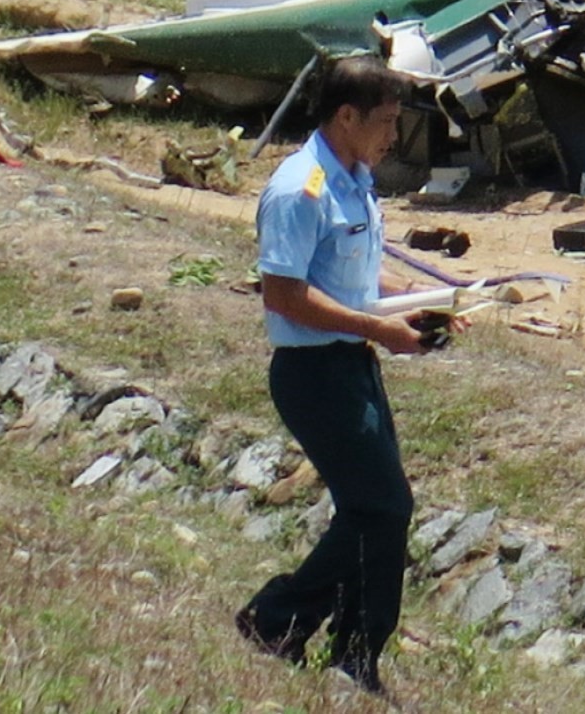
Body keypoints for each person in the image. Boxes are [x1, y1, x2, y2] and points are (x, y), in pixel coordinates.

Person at [235, 55, 428, 698]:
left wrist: (415, 304)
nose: (393, 136)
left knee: (373, 510)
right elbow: (285, 295)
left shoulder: (357, 177)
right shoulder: (300, 189)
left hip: (353, 363)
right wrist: (379, 330)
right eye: (386, 121)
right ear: (346, 116)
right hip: (314, 371)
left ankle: (351, 652)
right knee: (385, 505)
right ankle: (280, 617)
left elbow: (353, 271)